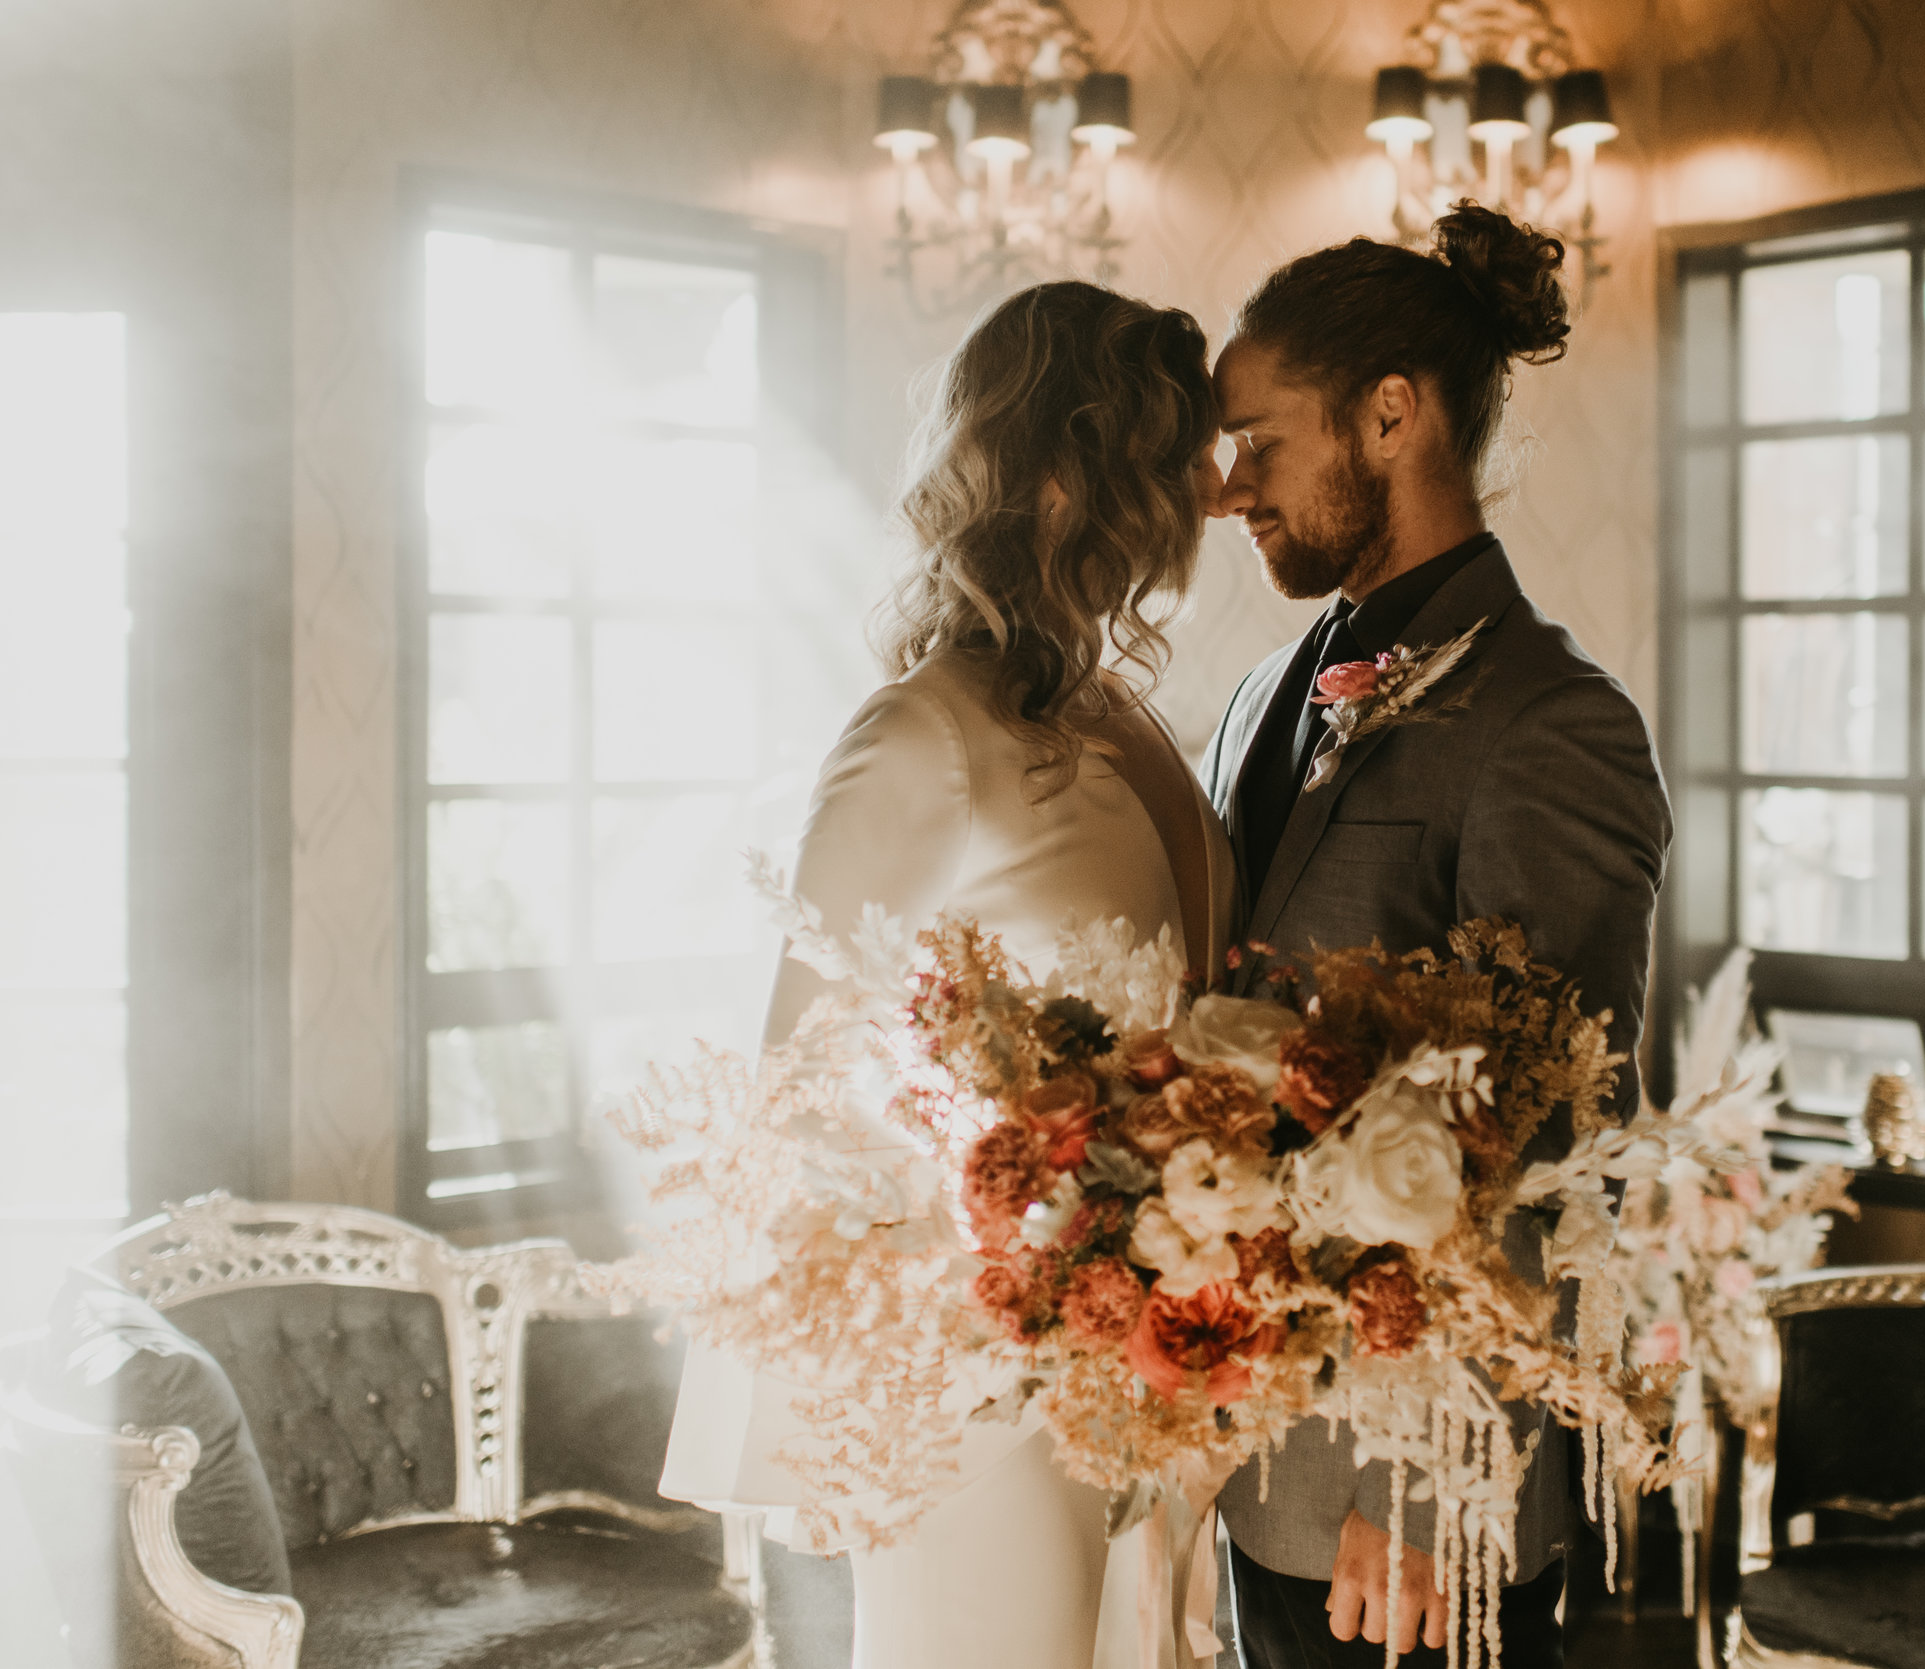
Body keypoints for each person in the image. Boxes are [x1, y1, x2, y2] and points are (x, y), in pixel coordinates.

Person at [657, 280, 1236, 1669]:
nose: (1206, 496)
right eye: (1166, 460)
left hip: (1158, 1346)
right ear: (1061, 472)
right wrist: (1003, 1251)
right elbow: (795, 1088)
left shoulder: (1116, 716)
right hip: (979, 1380)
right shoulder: (922, 737)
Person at [1199, 204, 1672, 1668]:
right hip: (1250, 1461)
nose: (1229, 490)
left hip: (1408, 1513)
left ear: (1391, 412)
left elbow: (1548, 1132)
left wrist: (1426, 1477)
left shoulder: (1555, 724)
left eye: (1258, 440)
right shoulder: (1262, 689)